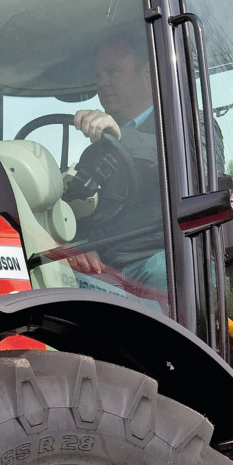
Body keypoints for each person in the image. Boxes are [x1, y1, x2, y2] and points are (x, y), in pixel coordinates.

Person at [62, 31, 168, 298]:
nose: (102, 83)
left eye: (112, 71)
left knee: (164, 271)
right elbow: (84, 211)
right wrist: (78, 246)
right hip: (108, 273)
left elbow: (186, 165)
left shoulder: (188, 127)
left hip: (161, 259)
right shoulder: (95, 152)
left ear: (146, 75)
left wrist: (121, 138)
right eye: (98, 75)